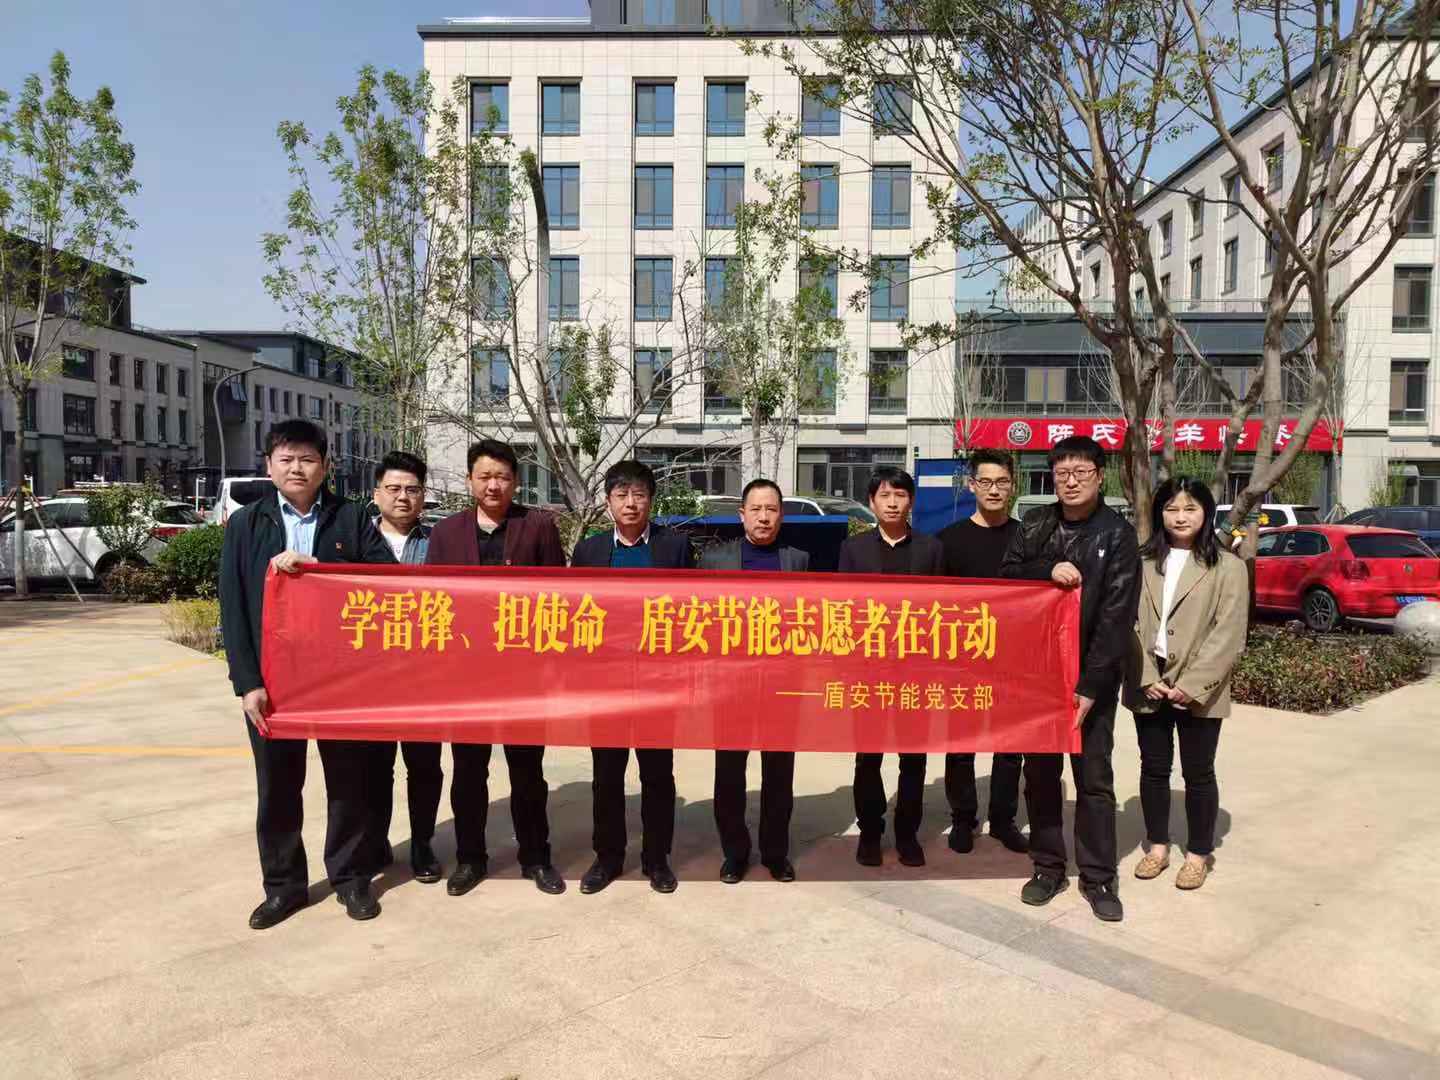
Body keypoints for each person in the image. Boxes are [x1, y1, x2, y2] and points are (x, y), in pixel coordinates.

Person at [218, 419, 396, 929]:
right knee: (277, 787)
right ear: (269, 465)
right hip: (273, 681)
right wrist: (247, 683)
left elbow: (385, 580)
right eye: (287, 459)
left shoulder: (351, 518)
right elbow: (233, 607)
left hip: (338, 678)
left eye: (308, 459)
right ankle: (283, 887)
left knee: (349, 782)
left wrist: (318, 570)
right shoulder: (246, 523)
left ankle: (351, 878)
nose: (297, 468)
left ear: (326, 466)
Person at [1000, 435, 1139, 923]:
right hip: (1037, 675)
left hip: (1090, 679)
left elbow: (1116, 618)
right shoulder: (1036, 524)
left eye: (1081, 472)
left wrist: (1091, 686)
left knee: (1094, 780)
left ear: (1100, 477)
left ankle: (1099, 877)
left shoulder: (1117, 535)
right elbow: (1008, 577)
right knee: (1040, 776)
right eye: (1062, 473)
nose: (1071, 481)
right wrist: (1047, 567)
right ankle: (1048, 868)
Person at [425, 439, 567, 896]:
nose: (493, 485)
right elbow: (433, 603)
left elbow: (558, 598)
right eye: (484, 476)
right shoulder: (446, 534)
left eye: (502, 477)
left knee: (528, 773)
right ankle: (471, 858)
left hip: (524, 675)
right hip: (466, 676)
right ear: (470, 480)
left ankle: (536, 857)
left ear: (516, 482)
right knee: (469, 772)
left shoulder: (538, 527)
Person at [570, 460, 694, 895]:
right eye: (621, 495)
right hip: (606, 685)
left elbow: (691, 612)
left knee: (657, 775)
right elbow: (574, 615)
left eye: (639, 494)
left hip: (657, 684)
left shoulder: (673, 548)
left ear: (650, 500)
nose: (630, 503)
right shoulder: (588, 552)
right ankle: (607, 858)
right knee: (606, 776)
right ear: (608, 502)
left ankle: (657, 859)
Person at [1126, 477, 1247, 891]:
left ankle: (1198, 855)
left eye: (1190, 508)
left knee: (1198, 772)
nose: (1181, 517)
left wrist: (1192, 685)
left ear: (1206, 513)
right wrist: (1145, 675)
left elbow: (1229, 632)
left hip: (1200, 687)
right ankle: (1157, 847)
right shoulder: (1142, 562)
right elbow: (1127, 623)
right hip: (1150, 680)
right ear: (1159, 513)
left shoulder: (1227, 567)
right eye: (1172, 509)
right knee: (1153, 768)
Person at [701, 479, 810, 884]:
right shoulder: (715, 560)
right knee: (729, 773)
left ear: (781, 515)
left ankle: (775, 853)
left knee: (779, 774)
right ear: (741, 514)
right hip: (731, 685)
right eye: (756, 509)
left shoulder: (797, 560)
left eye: (772, 509)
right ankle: (735, 852)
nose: (764, 517)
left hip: (781, 683)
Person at [838, 466, 945, 868]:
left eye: (900, 495)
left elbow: (943, 611)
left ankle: (907, 834)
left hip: (915, 673)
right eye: (884, 495)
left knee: (913, 758)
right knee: (868, 757)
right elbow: (843, 610)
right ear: (871, 502)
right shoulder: (853, 550)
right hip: (868, 673)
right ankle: (870, 832)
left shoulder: (931, 549)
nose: (893, 503)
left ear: (911, 501)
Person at [937, 449, 1028, 856]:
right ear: (971, 485)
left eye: (1002, 482)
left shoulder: (1028, 538)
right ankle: (963, 818)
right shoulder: (948, 540)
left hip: (1014, 661)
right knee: (961, 744)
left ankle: (1004, 820)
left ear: (1012, 486)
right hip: (963, 662)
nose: (994, 490)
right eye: (986, 482)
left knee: (1010, 747)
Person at [366, 450, 444, 885]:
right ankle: (376, 841)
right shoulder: (353, 541)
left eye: (412, 489)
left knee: (425, 766)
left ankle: (422, 845)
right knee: (375, 768)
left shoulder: (439, 543)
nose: (402, 497)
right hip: (370, 677)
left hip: (424, 677)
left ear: (423, 495)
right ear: (376, 493)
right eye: (393, 488)